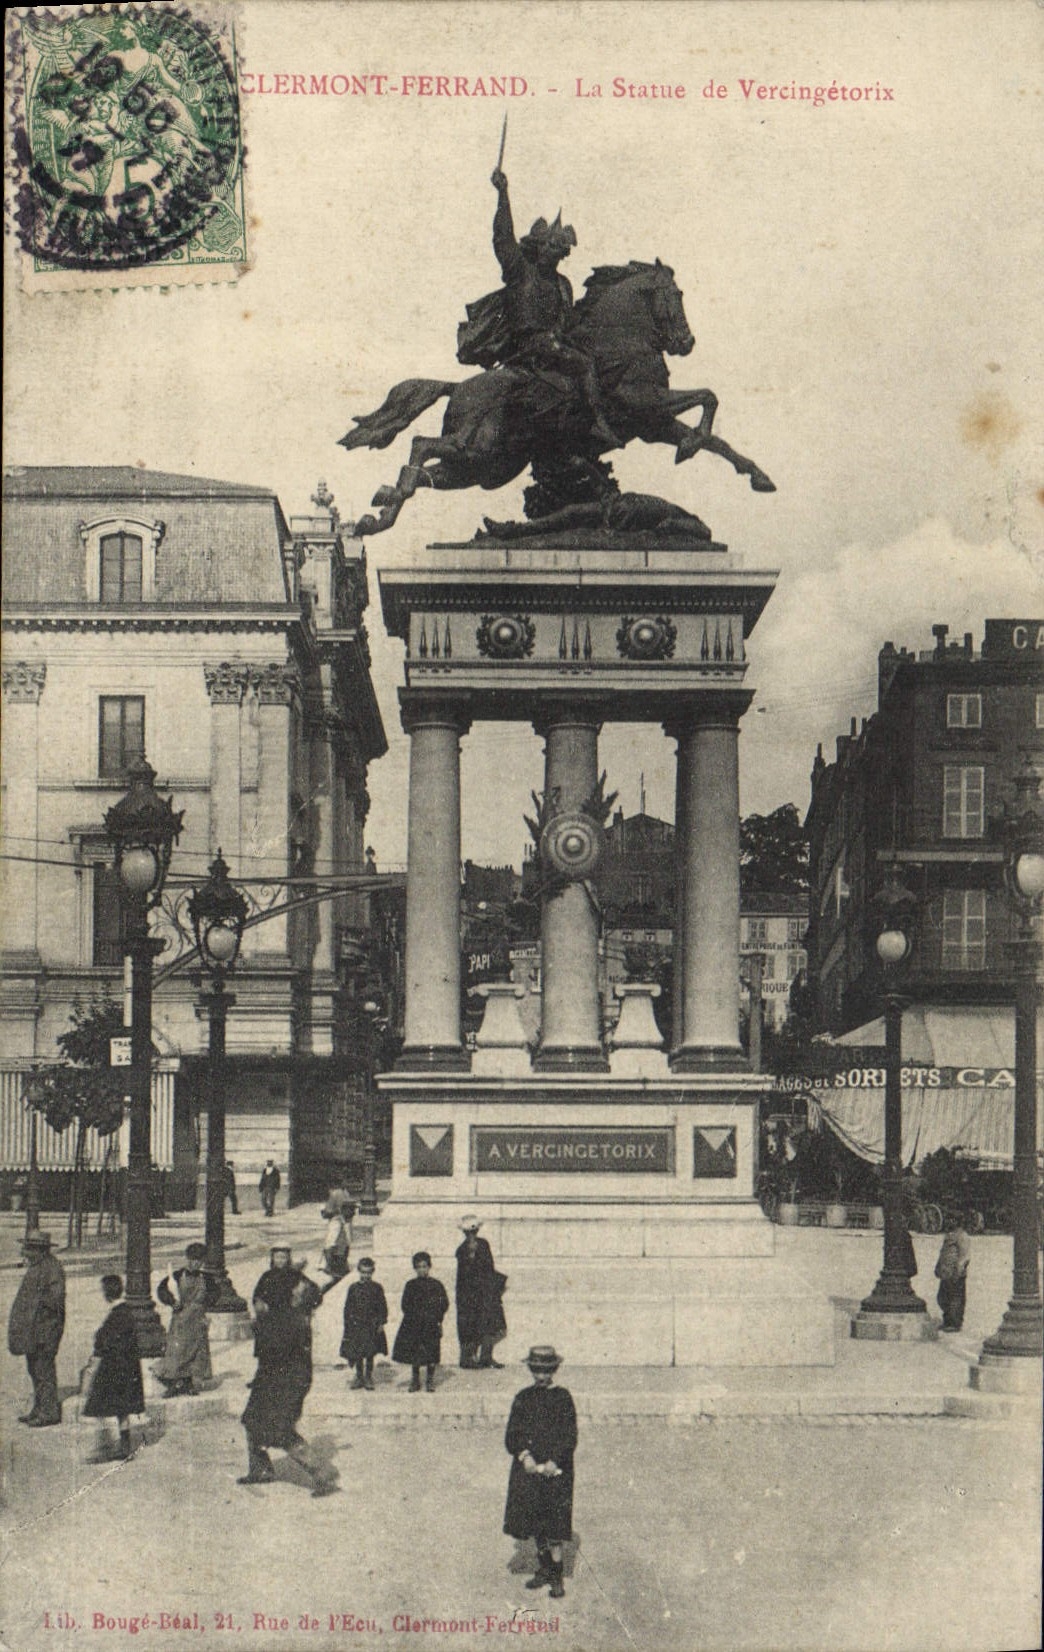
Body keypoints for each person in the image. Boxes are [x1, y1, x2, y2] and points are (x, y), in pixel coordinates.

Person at [456, 169, 620, 448]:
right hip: (528, 347)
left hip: (553, 345)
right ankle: (598, 423)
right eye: (549, 246)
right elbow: (503, 237)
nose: (553, 253)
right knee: (585, 365)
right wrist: (502, 195)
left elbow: (567, 320)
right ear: (539, 246)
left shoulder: (562, 285)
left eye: (559, 250)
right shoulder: (520, 269)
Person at [239, 1275, 335, 1496]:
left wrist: (260, 1321)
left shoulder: (294, 1320)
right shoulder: (293, 1316)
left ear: (300, 1299)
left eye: (298, 1290)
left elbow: (274, 1349)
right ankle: (260, 1470)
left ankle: (322, 1475)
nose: (294, 1290)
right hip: (273, 1379)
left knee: (280, 1430)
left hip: (286, 1382)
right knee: (251, 1419)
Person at [504, 1346, 577, 1601]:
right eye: (536, 1371)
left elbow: (569, 1437)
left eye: (545, 1371)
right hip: (530, 1470)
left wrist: (554, 1462)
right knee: (535, 1522)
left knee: (554, 1525)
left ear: (554, 1371)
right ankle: (544, 1567)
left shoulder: (563, 1398)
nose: (540, 1376)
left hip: (555, 1472)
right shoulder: (523, 1397)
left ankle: (556, 1575)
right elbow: (513, 1433)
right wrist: (524, 1455)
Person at [81, 1274, 145, 1461]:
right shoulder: (126, 1312)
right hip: (127, 1369)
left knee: (98, 1407)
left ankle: (105, 1447)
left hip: (112, 1369)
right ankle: (124, 1447)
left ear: (106, 1294)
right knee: (121, 1410)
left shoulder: (116, 1316)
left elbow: (103, 1341)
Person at [8, 1230, 66, 1427]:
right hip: (32, 1332)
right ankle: (39, 1408)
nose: (24, 1252)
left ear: (39, 1250)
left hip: (44, 1330)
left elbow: (55, 1300)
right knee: (34, 1369)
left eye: (28, 1249)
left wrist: (38, 1305)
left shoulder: (52, 1268)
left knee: (44, 1371)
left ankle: (49, 1412)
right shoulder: (37, 1267)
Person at [155, 1242, 213, 1396]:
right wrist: (172, 1302)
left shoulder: (206, 1278)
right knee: (177, 1351)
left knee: (196, 1352)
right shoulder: (177, 1275)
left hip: (198, 1320)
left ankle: (190, 1384)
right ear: (187, 1259)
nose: (195, 1264)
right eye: (193, 1260)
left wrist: (206, 1306)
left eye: (199, 1261)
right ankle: (174, 1383)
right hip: (180, 1319)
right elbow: (162, 1290)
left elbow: (215, 1294)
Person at [392, 1251, 450, 1392]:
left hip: (431, 1324)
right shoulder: (410, 1285)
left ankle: (430, 1380)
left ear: (429, 1267)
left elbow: (444, 1303)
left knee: (432, 1354)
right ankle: (415, 1380)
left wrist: (437, 1318)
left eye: (425, 1266)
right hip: (415, 1325)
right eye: (419, 1267)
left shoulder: (436, 1285)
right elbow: (405, 1304)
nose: (422, 1270)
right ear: (415, 1268)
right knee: (416, 1354)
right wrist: (415, 1317)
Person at [455, 1216, 507, 1369]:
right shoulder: (461, 1250)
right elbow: (464, 1275)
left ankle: (486, 1356)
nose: (471, 1234)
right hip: (469, 1294)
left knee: (489, 1323)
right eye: (468, 1232)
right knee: (469, 1325)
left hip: (485, 1291)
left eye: (473, 1231)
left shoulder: (484, 1245)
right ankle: (467, 1358)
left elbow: (489, 1267)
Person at [340, 1257, 388, 1391]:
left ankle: (368, 1376)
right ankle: (359, 1376)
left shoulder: (377, 1288)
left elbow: (382, 1306)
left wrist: (381, 1322)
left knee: (370, 1352)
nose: (365, 1275)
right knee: (358, 1353)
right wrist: (348, 1324)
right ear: (359, 1271)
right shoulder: (353, 1288)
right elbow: (347, 1307)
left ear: (372, 1272)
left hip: (371, 1325)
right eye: (363, 1272)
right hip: (357, 1325)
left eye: (368, 1272)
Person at [935, 1214, 972, 1331]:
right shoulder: (950, 1235)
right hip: (946, 1272)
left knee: (955, 1298)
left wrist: (959, 1269)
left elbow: (964, 1255)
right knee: (943, 1297)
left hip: (956, 1272)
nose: (949, 1222)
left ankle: (955, 1323)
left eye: (953, 1220)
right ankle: (947, 1320)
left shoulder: (962, 1236)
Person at [252, 1246, 305, 1316]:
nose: (280, 1260)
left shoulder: (294, 1274)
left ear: (288, 1259)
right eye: (277, 1257)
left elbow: (308, 1290)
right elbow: (257, 1294)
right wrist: (259, 1303)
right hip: (271, 1314)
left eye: (283, 1258)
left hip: (291, 1313)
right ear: (273, 1259)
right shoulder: (267, 1275)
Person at [319, 1196, 352, 1281]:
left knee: (342, 1243)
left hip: (339, 1250)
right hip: (336, 1254)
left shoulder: (343, 1222)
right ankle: (332, 1266)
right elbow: (330, 1244)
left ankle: (338, 1265)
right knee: (333, 1243)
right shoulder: (336, 1223)